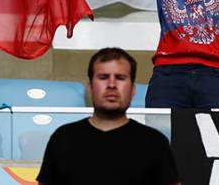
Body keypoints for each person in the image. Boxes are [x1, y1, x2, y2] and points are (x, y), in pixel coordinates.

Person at [36, 47, 180, 185]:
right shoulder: (63, 139)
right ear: (90, 88)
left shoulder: (155, 143)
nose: (112, 84)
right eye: (103, 77)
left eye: (120, 78)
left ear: (133, 90)